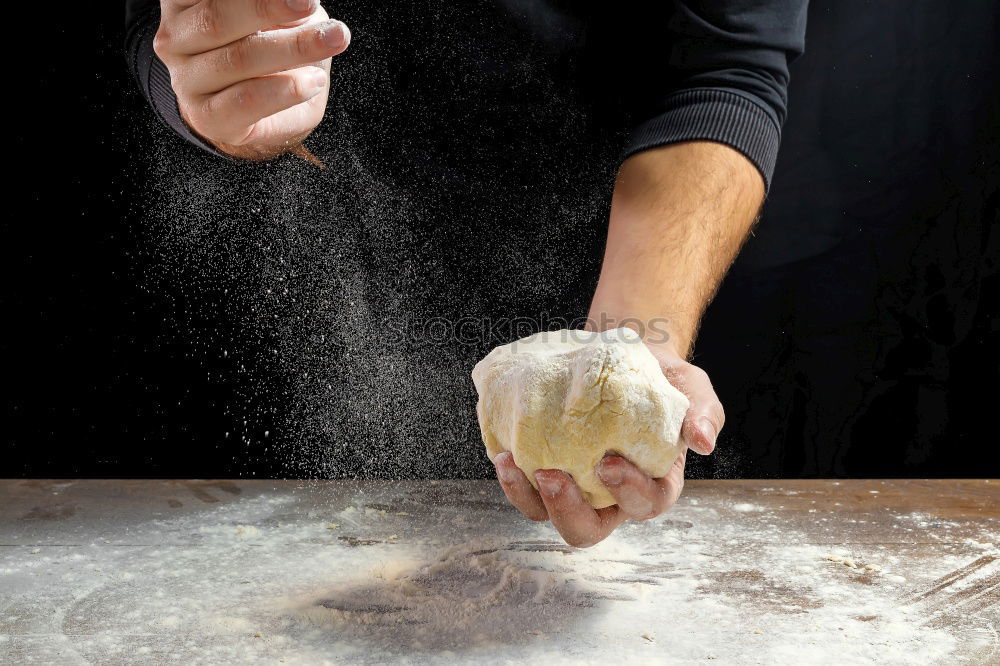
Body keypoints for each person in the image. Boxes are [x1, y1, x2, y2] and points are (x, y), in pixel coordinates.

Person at [125, 0, 808, 547]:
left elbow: (726, 63)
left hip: (623, 240)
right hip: (244, 351)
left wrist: (629, 349)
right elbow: (160, 29)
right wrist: (227, 81)